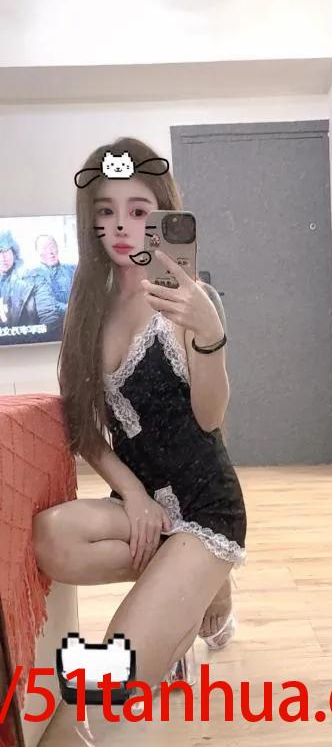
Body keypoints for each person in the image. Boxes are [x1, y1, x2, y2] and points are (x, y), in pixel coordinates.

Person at [31, 137, 247, 694]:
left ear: (162, 215)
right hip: (142, 503)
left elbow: (209, 418)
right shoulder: (89, 309)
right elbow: (84, 426)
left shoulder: (189, 299)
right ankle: (189, 590)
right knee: (52, 537)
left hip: (204, 504)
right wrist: (133, 496)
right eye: (106, 212)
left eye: (138, 210)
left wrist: (210, 334)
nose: (121, 227)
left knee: (115, 678)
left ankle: (200, 589)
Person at [0, 230, 60, 338]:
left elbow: (49, 318)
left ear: (13, 252)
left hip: (31, 343)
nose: (3, 257)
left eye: (6, 251)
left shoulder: (34, 279)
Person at [34, 234, 76, 318]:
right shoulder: (35, 276)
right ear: (37, 252)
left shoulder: (72, 269)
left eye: (52, 246)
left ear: (57, 247)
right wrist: (74, 308)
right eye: (44, 248)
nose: (50, 252)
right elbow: (47, 305)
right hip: (54, 321)